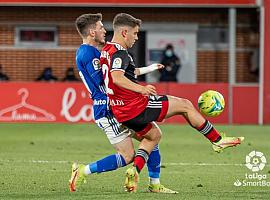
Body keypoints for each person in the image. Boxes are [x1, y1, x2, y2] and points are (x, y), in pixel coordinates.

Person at [100, 13, 244, 192]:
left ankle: (134, 170)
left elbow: (126, 72)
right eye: (135, 33)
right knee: (185, 105)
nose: (137, 37)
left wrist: (150, 68)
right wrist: (142, 89)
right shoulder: (120, 52)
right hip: (135, 106)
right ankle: (217, 140)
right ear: (124, 32)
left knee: (153, 136)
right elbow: (117, 77)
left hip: (121, 111)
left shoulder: (107, 50)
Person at [69, 13, 177, 194]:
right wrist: (137, 91)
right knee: (129, 155)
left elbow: (122, 73)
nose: (104, 30)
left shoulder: (97, 51)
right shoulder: (88, 53)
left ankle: (155, 184)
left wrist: (148, 69)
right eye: (101, 26)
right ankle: (82, 171)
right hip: (107, 109)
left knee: (152, 137)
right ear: (91, 31)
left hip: (116, 106)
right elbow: (110, 81)